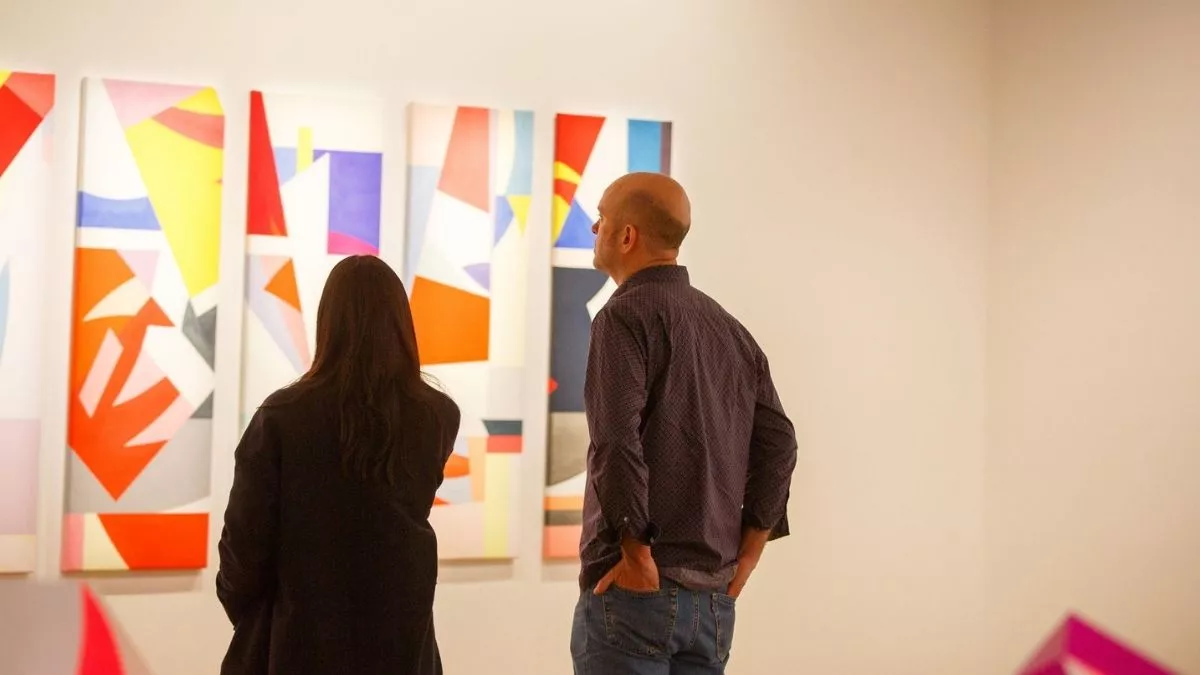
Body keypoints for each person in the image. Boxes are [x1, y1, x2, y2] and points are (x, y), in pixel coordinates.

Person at [570, 172, 799, 674]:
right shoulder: (730, 330)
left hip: (637, 595)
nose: (594, 229)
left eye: (601, 219)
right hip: (712, 600)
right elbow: (779, 444)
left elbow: (614, 441)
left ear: (626, 236)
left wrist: (635, 553)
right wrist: (749, 553)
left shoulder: (622, 317)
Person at [216, 255, 459, 675]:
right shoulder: (436, 417)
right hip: (402, 648)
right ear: (401, 325)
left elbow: (243, 551)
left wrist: (256, 616)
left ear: (327, 323)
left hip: (298, 646)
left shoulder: (282, 417)